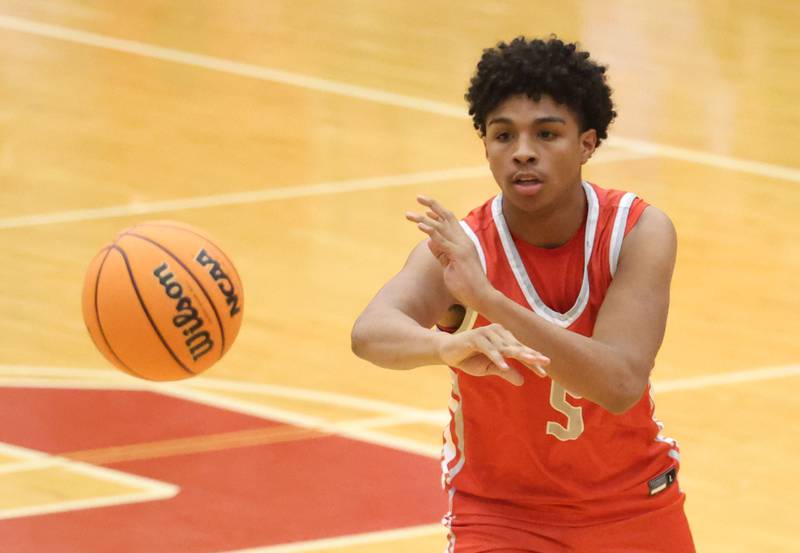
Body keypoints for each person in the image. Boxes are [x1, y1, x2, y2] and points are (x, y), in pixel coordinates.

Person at [351, 36, 695, 553]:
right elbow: (370, 333)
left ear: (587, 143)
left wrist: (488, 300)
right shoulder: (465, 246)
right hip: (501, 516)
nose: (523, 152)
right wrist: (444, 347)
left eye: (547, 133)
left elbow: (619, 383)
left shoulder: (637, 231)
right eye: (503, 135)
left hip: (632, 502)